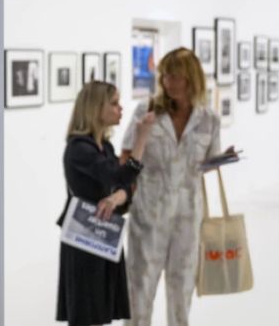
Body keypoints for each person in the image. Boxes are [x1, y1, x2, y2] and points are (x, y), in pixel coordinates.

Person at [120, 47, 223, 326]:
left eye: (176, 76)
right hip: (148, 214)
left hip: (188, 216)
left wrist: (221, 160)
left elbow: (209, 164)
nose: (169, 83)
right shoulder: (147, 110)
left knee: (182, 290)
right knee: (140, 288)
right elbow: (126, 155)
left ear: (192, 79)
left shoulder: (209, 119)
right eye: (165, 76)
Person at [56, 81, 155, 326]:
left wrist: (117, 196)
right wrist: (141, 139)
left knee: (100, 309)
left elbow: (123, 190)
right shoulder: (79, 149)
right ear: (95, 107)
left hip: (104, 235)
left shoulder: (105, 147)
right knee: (86, 310)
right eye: (113, 103)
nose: (120, 109)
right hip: (84, 238)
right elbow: (120, 177)